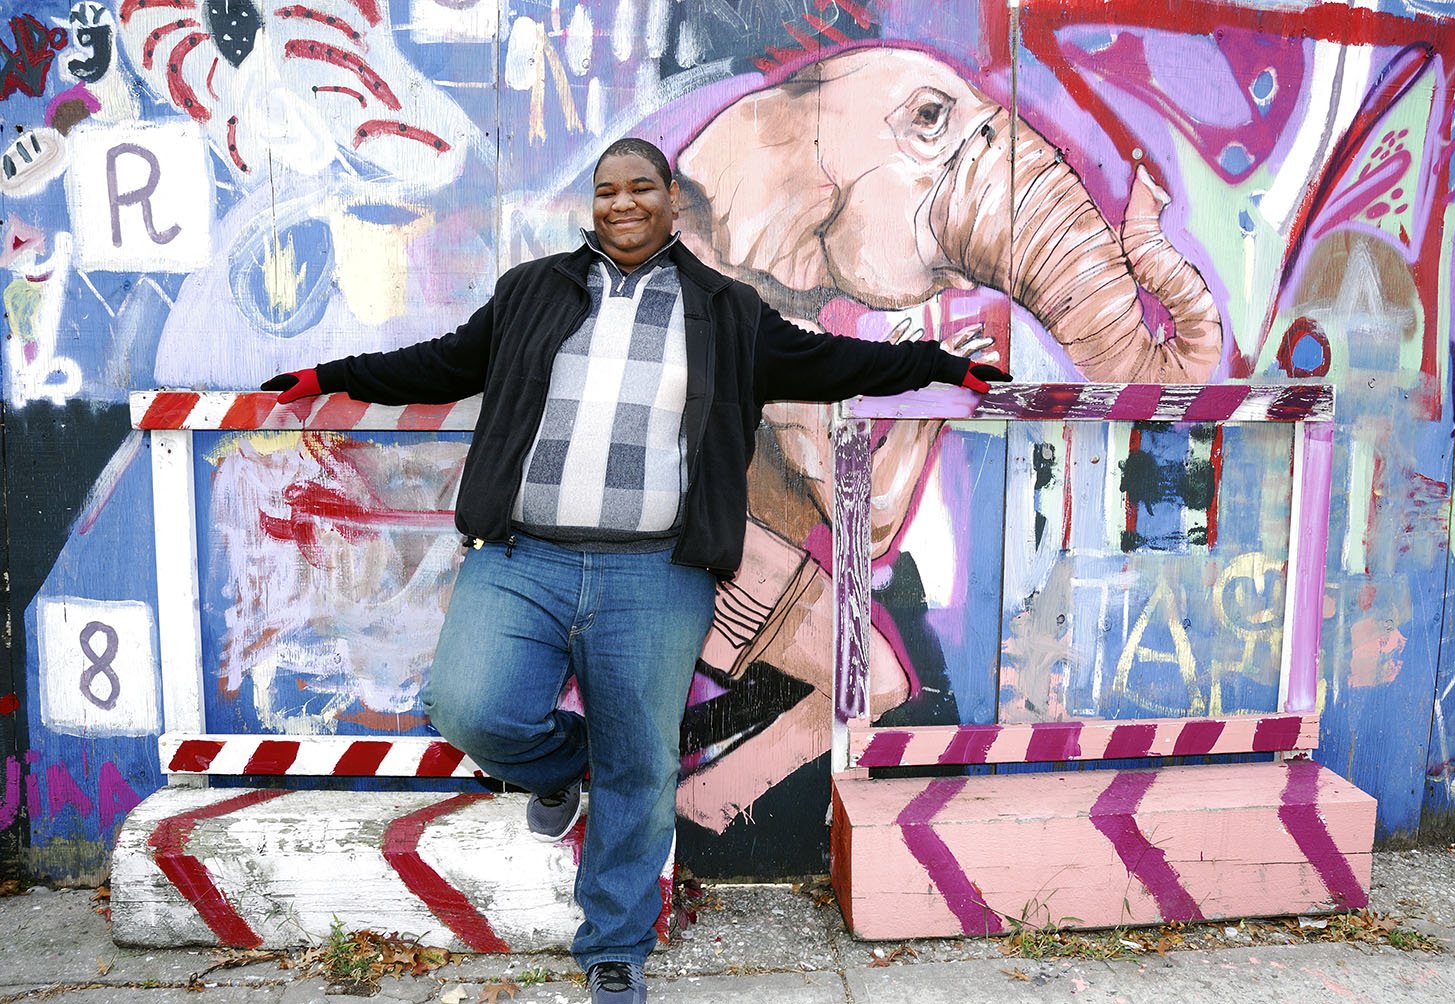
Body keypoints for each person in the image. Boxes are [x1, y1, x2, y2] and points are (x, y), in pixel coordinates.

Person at [261, 137, 1009, 1004]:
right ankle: (558, 764)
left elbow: (831, 361)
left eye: (640, 187)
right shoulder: (533, 291)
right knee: (471, 708)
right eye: (606, 189)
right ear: (594, 202)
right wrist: (330, 375)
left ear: (670, 201)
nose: (622, 202)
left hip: (655, 574)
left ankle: (613, 945)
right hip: (522, 558)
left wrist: (938, 364)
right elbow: (442, 363)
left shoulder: (727, 310)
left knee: (643, 763)